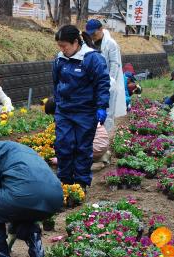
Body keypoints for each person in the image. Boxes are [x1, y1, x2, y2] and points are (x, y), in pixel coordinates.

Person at [52, 25, 111, 190]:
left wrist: (101, 107)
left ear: (76, 42)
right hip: (64, 111)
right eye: (60, 46)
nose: (62, 49)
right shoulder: (59, 59)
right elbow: (56, 83)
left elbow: (102, 84)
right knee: (63, 145)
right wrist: (58, 104)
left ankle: (80, 184)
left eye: (65, 46)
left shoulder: (92, 59)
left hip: (85, 112)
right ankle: (64, 181)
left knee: (82, 148)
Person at [84, 19, 127, 132]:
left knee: (108, 112)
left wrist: (109, 81)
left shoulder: (110, 43)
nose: (92, 36)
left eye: (94, 33)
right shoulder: (90, 43)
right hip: (94, 82)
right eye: (90, 34)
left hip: (108, 83)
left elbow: (114, 64)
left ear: (101, 29)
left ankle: (105, 139)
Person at [42, 97, 110, 165]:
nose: (54, 116)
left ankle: (88, 163)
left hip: (95, 147)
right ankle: (102, 156)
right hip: (103, 145)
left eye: (53, 114)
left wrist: (60, 160)